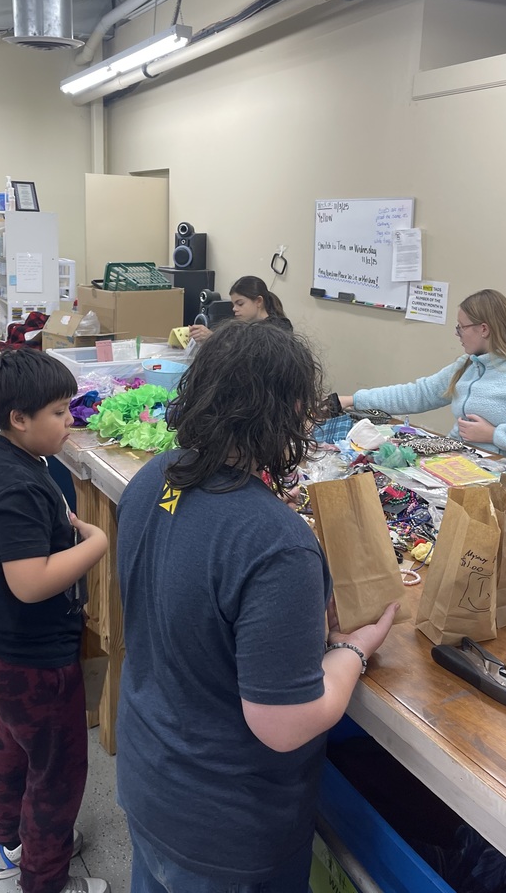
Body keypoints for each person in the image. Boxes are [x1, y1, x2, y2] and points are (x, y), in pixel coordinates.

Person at [115, 320, 398, 893]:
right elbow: (283, 724)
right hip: (224, 830)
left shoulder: (154, 477)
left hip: (149, 779)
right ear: (291, 410)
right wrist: (352, 648)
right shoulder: (277, 542)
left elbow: (191, 603)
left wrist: (291, 618)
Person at [0, 348, 110, 893]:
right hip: (30, 659)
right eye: (58, 412)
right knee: (57, 774)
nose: (69, 420)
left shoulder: (12, 459)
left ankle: (11, 844)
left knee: (14, 741)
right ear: (18, 419)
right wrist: (96, 539)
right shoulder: (17, 483)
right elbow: (29, 583)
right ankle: (44, 880)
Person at [339, 289, 506, 466]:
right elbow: (419, 394)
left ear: (484, 329)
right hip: (463, 467)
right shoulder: (468, 364)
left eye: (461, 327)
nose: (458, 334)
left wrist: (494, 435)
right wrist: (353, 400)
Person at [188, 274, 292, 343]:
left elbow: (253, 350)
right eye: (233, 305)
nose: (234, 309)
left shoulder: (280, 327)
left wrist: (213, 338)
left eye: (240, 304)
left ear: (259, 301)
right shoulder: (241, 327)